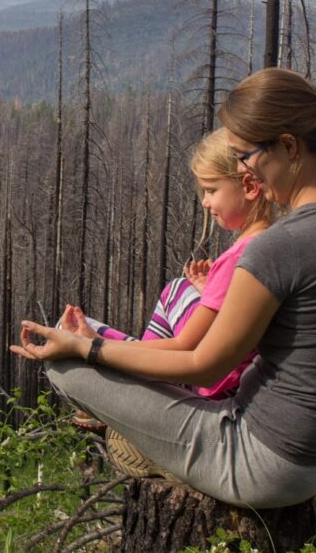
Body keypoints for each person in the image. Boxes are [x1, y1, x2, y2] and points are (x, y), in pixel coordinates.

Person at [11, 68, 316, 509]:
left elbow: (202, 365)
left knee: (63, 370)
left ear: (288, 146)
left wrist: (86, 349)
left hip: (264, 464)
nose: (241, 170)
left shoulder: (280, 246)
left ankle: (152, 449)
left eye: (244, 155)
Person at [69, 128, 275, 432]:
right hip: (235, 378)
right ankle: (141, 370)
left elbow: (185, 345)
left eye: (211, 190)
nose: (205, 202)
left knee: (69, 330)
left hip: (215, 385)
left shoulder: (238, 259)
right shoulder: (270, 241)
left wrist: (95, 346)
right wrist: (210, 292)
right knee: (179, 289)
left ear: (248, 187)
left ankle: (138, 386)